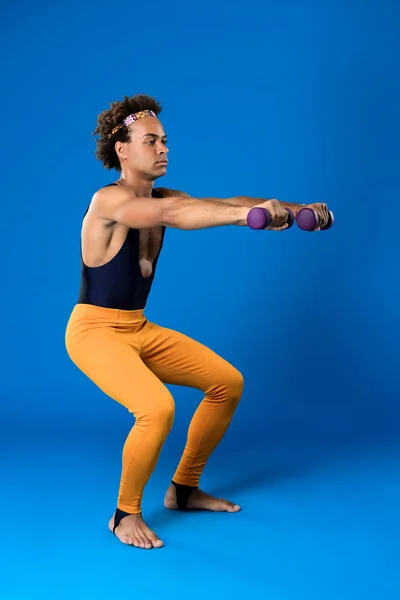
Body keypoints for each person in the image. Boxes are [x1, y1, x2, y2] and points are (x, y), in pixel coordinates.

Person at [65, 94, 330, 549]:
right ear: (123, 150)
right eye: (151, 141)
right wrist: (249, 218)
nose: (164, 148)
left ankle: (183, 490)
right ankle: (124, 514)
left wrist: (291, 206)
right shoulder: (109, 200)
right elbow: (174, 216)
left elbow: (221, 201)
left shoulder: (167, 194)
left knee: (227, 382)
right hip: (94, 331)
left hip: (137, 327)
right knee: (156, 408)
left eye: (165, 140)